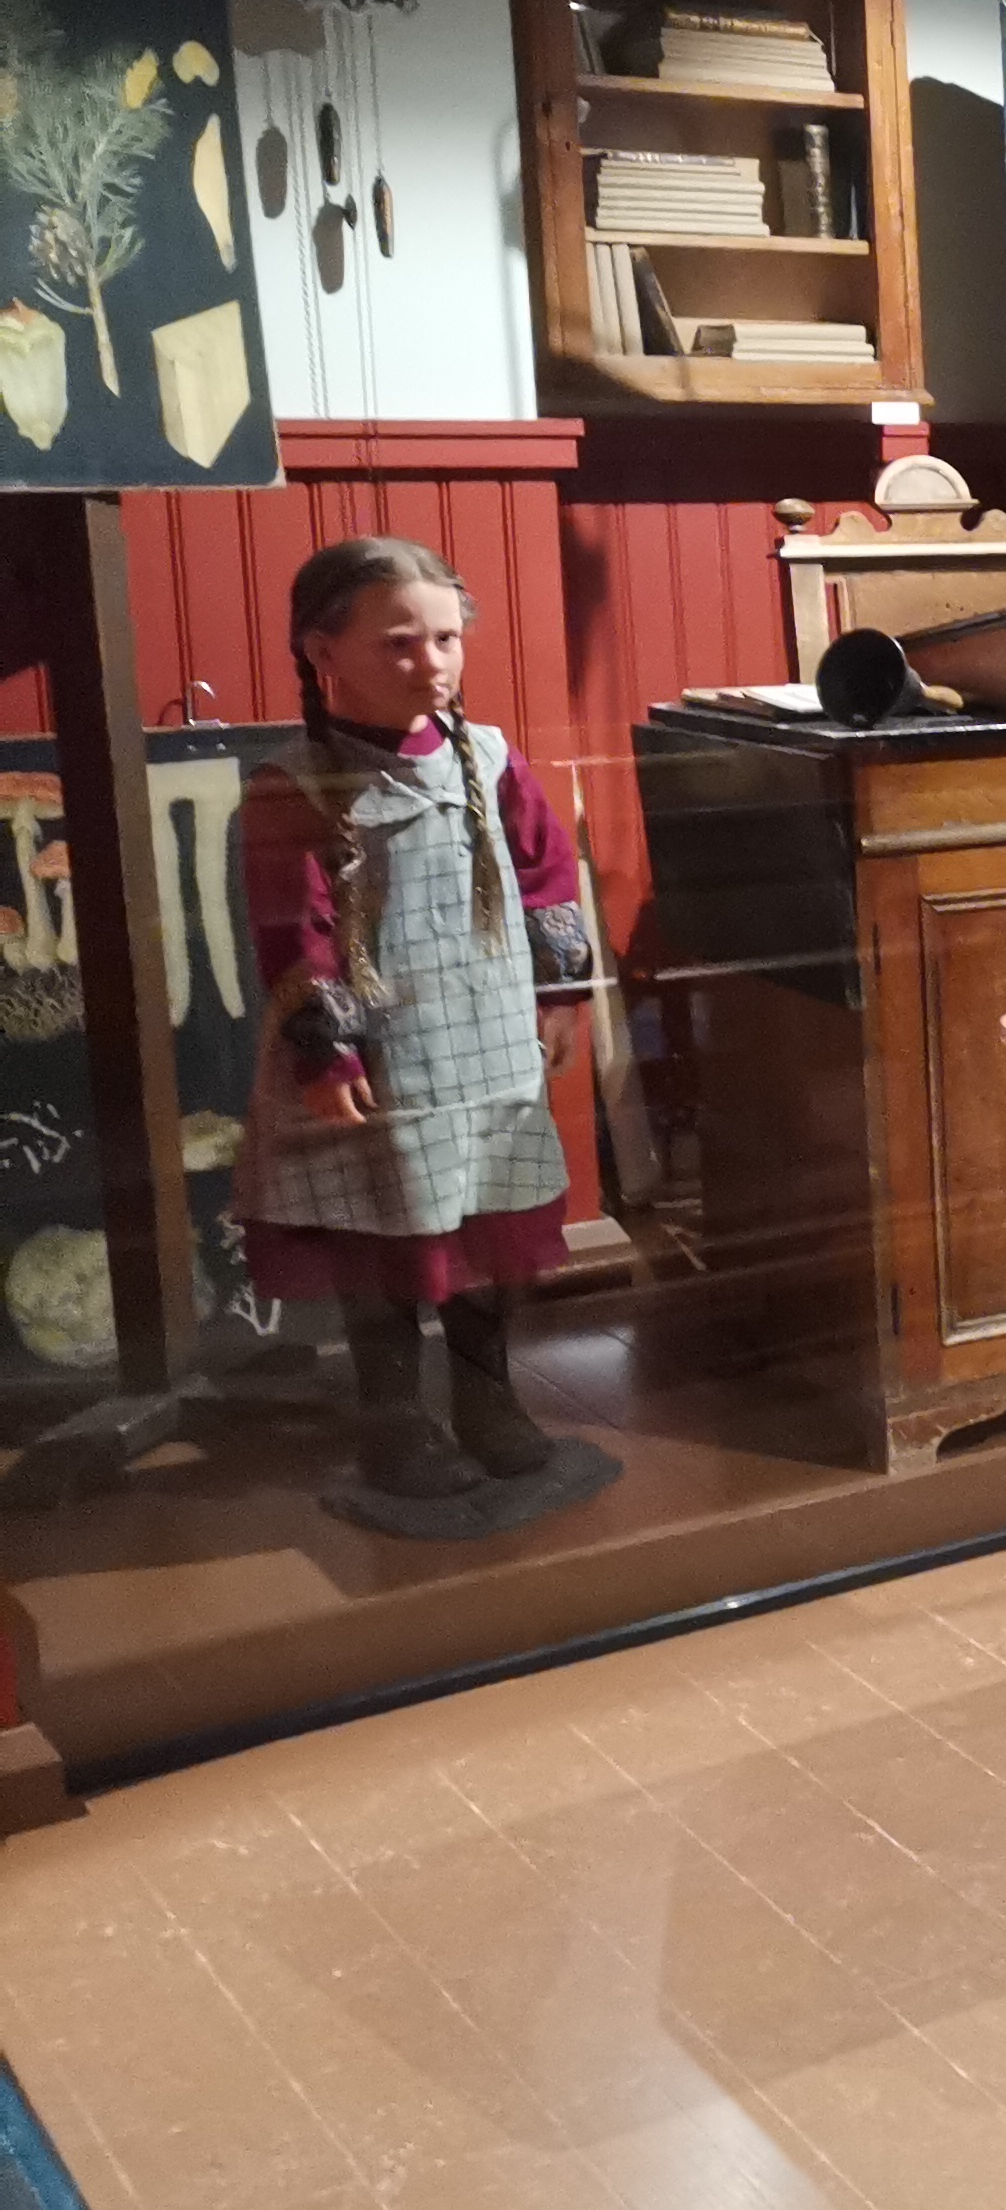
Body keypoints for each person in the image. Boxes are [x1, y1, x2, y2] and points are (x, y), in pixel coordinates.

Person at [232, 537, 591, 1503]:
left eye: (445, 638)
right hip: (378, 1064)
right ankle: (393, 1420)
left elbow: (547, 876)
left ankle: (488, 1400)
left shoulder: (490, 758)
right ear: (324, 652)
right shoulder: (296, 783)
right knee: (382, 1242)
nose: (430, 663)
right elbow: (296, 931)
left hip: (487, 1045)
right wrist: (327, 1054)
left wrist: (560, 994)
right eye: (399, 643)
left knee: (486, 1231)